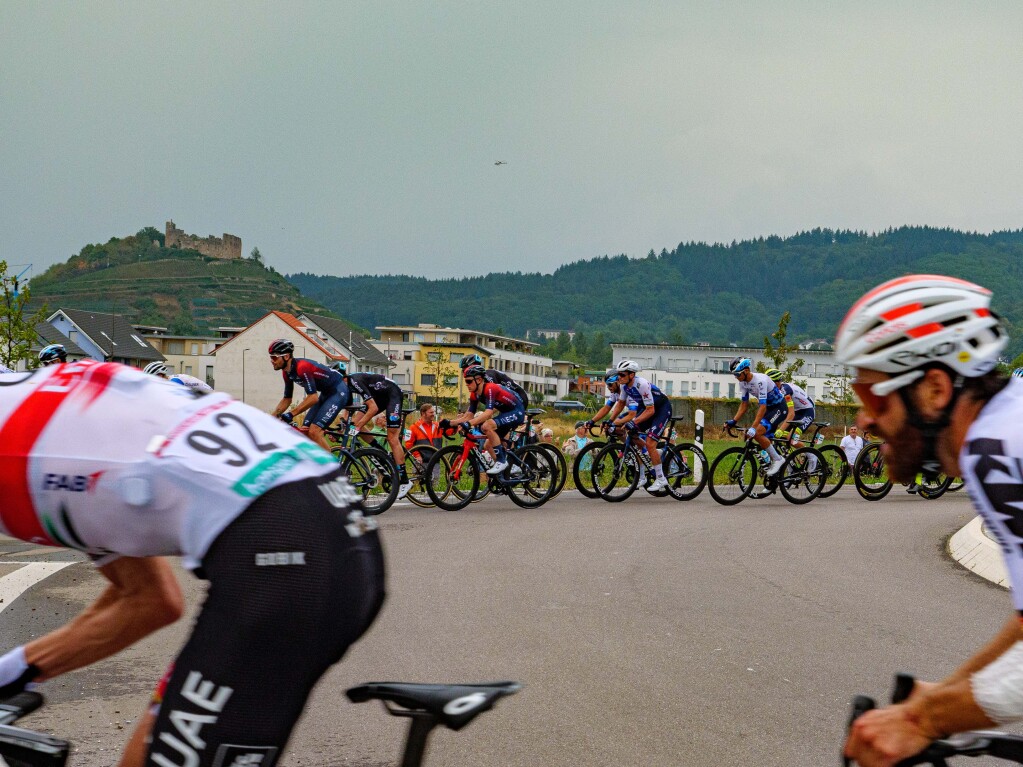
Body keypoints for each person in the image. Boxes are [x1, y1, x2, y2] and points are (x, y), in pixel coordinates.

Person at [0, 358, 385, 767]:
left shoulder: (24, 456)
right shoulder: (44, 420)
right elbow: (149, 600)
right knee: (149, 751)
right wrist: (14, 670)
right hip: (331, 513)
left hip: (283, 553)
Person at [835, 275, 1021, 766]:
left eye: (874, 399)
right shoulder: (1006, 430)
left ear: (936, 389)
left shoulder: (996, 452)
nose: (863, 421)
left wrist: (921, 720)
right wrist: (944, 695)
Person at [340, 365, 414, 499]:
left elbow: (373, 408)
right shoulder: (347, 385)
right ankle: (381, 452)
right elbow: (349, 408)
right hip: (379, 396)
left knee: (392, 438)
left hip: (392, 394)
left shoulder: (354, 381)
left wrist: (358, 425)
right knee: (356, 424)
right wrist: (345, 424)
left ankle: (404, 480)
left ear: (343, 379)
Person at [268, 339, 346, 455]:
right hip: (326, 393)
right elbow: (287, 399)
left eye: (274, 357)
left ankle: (334, 470)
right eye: (271, 357)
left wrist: (291, 414)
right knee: (305, 430)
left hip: (338, 391)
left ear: (286, 356)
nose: (272, 361)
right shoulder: (286, 372)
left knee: (314, 431)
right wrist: (272, 417)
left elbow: (313, 397)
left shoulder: (302, 367)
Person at [442, 365, 525, 474]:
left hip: (517, 411)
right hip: (506, 412)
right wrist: (450, 422)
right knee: (488, 445)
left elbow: (488, 413)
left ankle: (501, 461)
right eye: (466, 381)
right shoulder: (474, 395)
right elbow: (469, 415)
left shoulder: (489, 388)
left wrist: (468, 424)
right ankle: (509, 469)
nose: (467, 384)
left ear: (479, 380)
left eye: (469, 381)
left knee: (487, 426)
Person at [608, 360, 672, 493]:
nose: (619, 378)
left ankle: (661, 478)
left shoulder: (641, 384)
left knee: (650, 443)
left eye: (622, 375)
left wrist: (634, 421)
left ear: (631, 375)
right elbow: (620, 404)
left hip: (661, 409)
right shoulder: (625, 387)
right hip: (648, 409)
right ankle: (642, 476)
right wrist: (610, 421)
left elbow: (651, 410)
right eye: (619, 375)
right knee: (632, 435)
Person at [724, 357, 787, 476]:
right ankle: (774, 478)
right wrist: (734, 420)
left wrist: (753, 427)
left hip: (779, 408)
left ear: (746, 370)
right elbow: (744, 404)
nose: (736, 377)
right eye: (734, 375)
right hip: (769, 409)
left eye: (737, 374)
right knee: (759, 437)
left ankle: (778, 460)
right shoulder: (743, 383)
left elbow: (762, 406)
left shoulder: (760, 380)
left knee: (757, 432)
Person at [460, 353, 530, 408]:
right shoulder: (477, 382)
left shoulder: (488, 376)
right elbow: (474, 404)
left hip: (520, 398)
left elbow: (497, 400)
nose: (464, 373)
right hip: (509, 401)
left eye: (464, 370)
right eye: (463, 371)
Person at [142, 361, 214, 394]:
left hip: (209, 397)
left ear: (160, 376)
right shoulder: (170, 380)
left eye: (152, 379)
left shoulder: (174, 381)